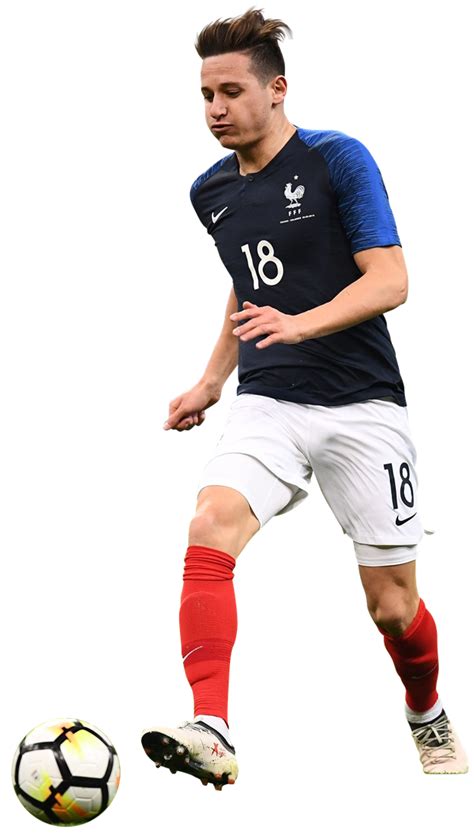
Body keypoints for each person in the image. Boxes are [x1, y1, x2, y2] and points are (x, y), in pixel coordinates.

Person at [141, 8, 468, 789]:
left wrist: (300, 323)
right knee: (209, 524)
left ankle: (426, 711)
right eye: (205, 94)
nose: (215, 108)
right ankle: (212, 725)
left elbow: (391, 279)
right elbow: (249, 284)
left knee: (393, 608)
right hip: (270, 400)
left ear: (277, 89)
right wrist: (212, 380)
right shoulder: (210, 191)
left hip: (362, 404)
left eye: (230, 91)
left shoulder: (336, 160)